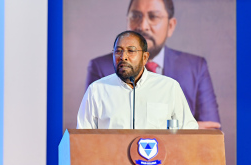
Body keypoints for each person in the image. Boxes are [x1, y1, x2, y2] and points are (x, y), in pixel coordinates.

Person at [85, 0, 221, 129]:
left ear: (171, 26)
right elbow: (90, 133)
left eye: (153, 17)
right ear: (127, 21)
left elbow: (210, 132)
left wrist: (185, 132)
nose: (143, 26)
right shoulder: (100, 69)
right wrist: (176, 130)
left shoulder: (194, 68)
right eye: (136, 16)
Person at [77, 31, 198, 129]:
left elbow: (188, 131)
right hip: (111, 158)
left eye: (131, 51)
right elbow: (83, 138)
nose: (123, 57)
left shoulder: (169, 87)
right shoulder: (97, 89)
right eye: (118, 51)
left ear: (145, 57)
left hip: (157, 159)